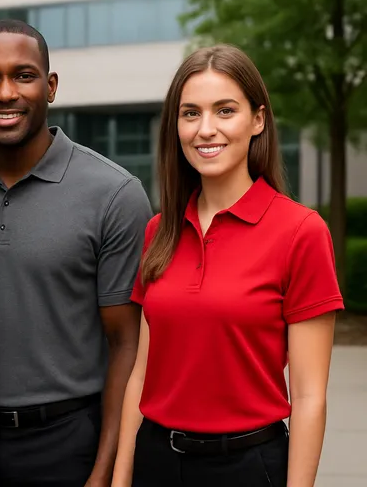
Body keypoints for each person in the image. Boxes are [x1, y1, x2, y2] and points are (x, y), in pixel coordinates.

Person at [0, 19, 152, 486]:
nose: (5, 92)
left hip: (69, 444)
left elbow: (126, 346)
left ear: (50, 87)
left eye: (23, 76)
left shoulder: (114, 193)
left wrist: (105, 470)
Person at [111, 44, 344, 487]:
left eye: (225, 110)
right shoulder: (159, 230)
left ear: (258, 119)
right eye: (190, 113)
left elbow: (310, 396)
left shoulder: (301, 232)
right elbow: (142, 371)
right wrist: (122, 477)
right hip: (156, 462)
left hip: (249, 467)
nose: (206, 129)